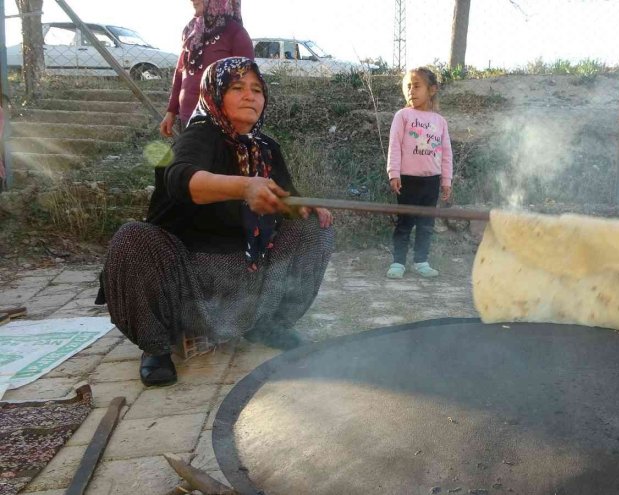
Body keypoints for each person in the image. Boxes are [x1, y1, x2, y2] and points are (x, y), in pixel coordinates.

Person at [99, 57, 334, 387]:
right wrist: (244, 186)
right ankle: (157, 346)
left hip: (246, 281)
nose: (250, 96)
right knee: (133, 237)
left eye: (257, 89)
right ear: (214, 94)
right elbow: (180, 179)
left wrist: (305, 207)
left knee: (313, 229)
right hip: (187, 282)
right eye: (237, 88)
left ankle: (267, 324)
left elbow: (286, 201)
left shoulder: (267, 149)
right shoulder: (199, 137)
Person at [385, 67, 453, 279]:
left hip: (431, 181)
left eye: (416, 86)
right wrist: (393, 173)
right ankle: (398, 262)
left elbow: (446, 153)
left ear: (431, 90)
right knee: (405, 223)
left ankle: (421, 261)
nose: (411, 91)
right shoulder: (403, 115)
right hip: (407, 180)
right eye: (407, 86)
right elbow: (394, 145)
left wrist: (446, 180)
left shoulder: (440, 121)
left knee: (426, 225)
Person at [159, 0, 255, 137]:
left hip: (220, 125)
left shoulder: (236, 33)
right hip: (187, 119)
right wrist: (171, 111)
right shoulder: (190, 31)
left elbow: (247, 82)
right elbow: (181, 73)